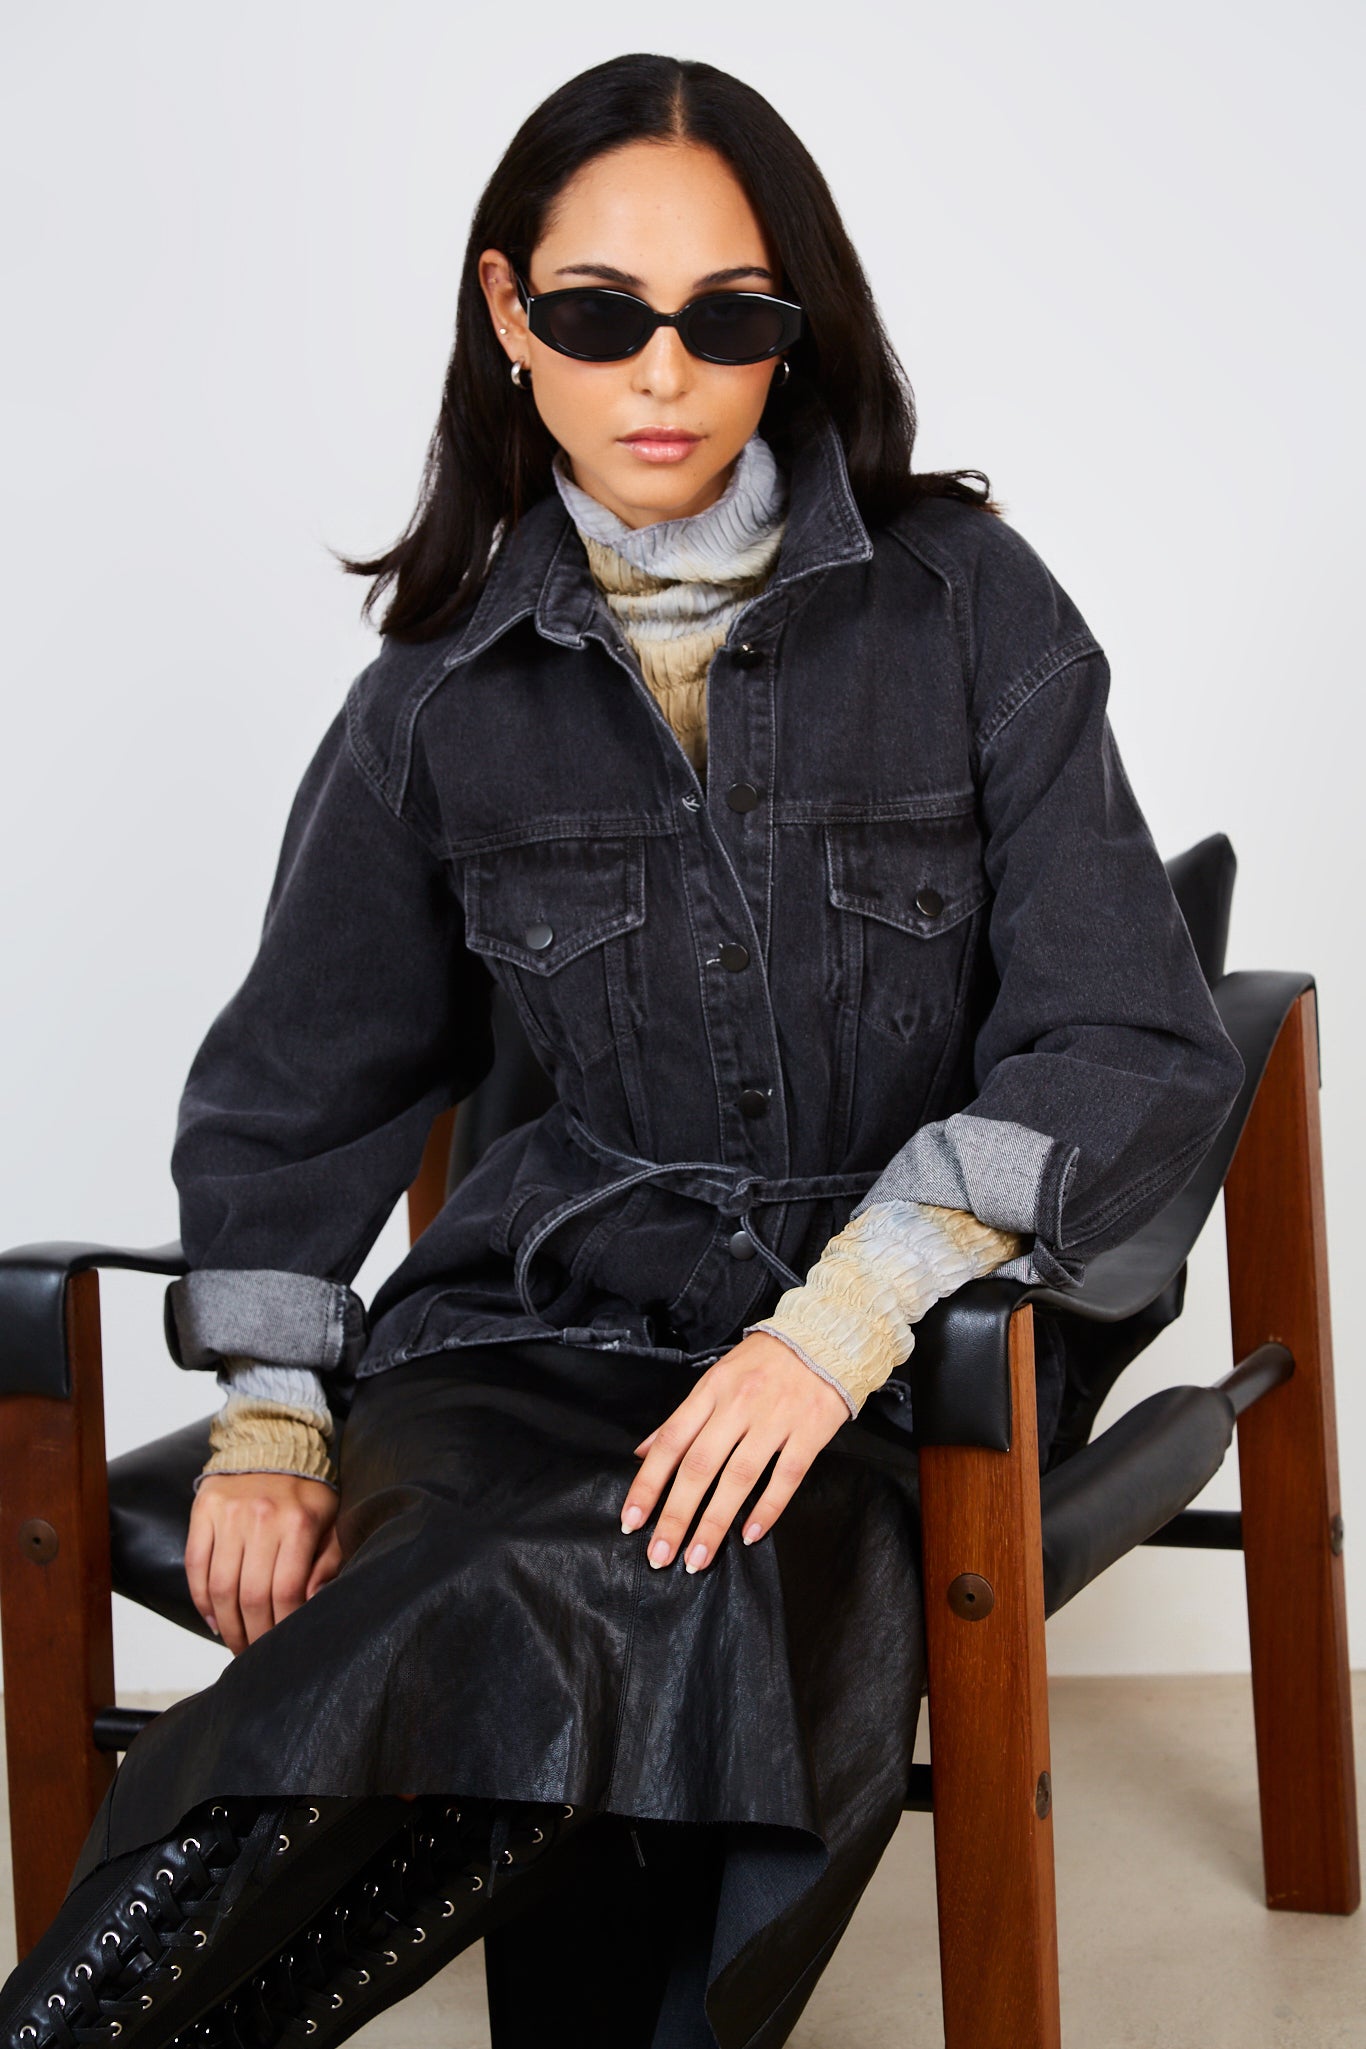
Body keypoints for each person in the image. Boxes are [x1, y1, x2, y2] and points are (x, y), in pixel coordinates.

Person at [1, 48, 1245, 2049]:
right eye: (597, 316)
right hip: (532, 1326)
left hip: (867, 1350)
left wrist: (839, 1322)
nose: (661, 374)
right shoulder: (438, 694)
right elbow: (297, 1081)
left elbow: (1124, 1033)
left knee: (649, 1571)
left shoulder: (967, 613)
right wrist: (273, 1411)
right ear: (508, 315)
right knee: (521, 1573)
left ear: (792, 329)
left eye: (723, 319)